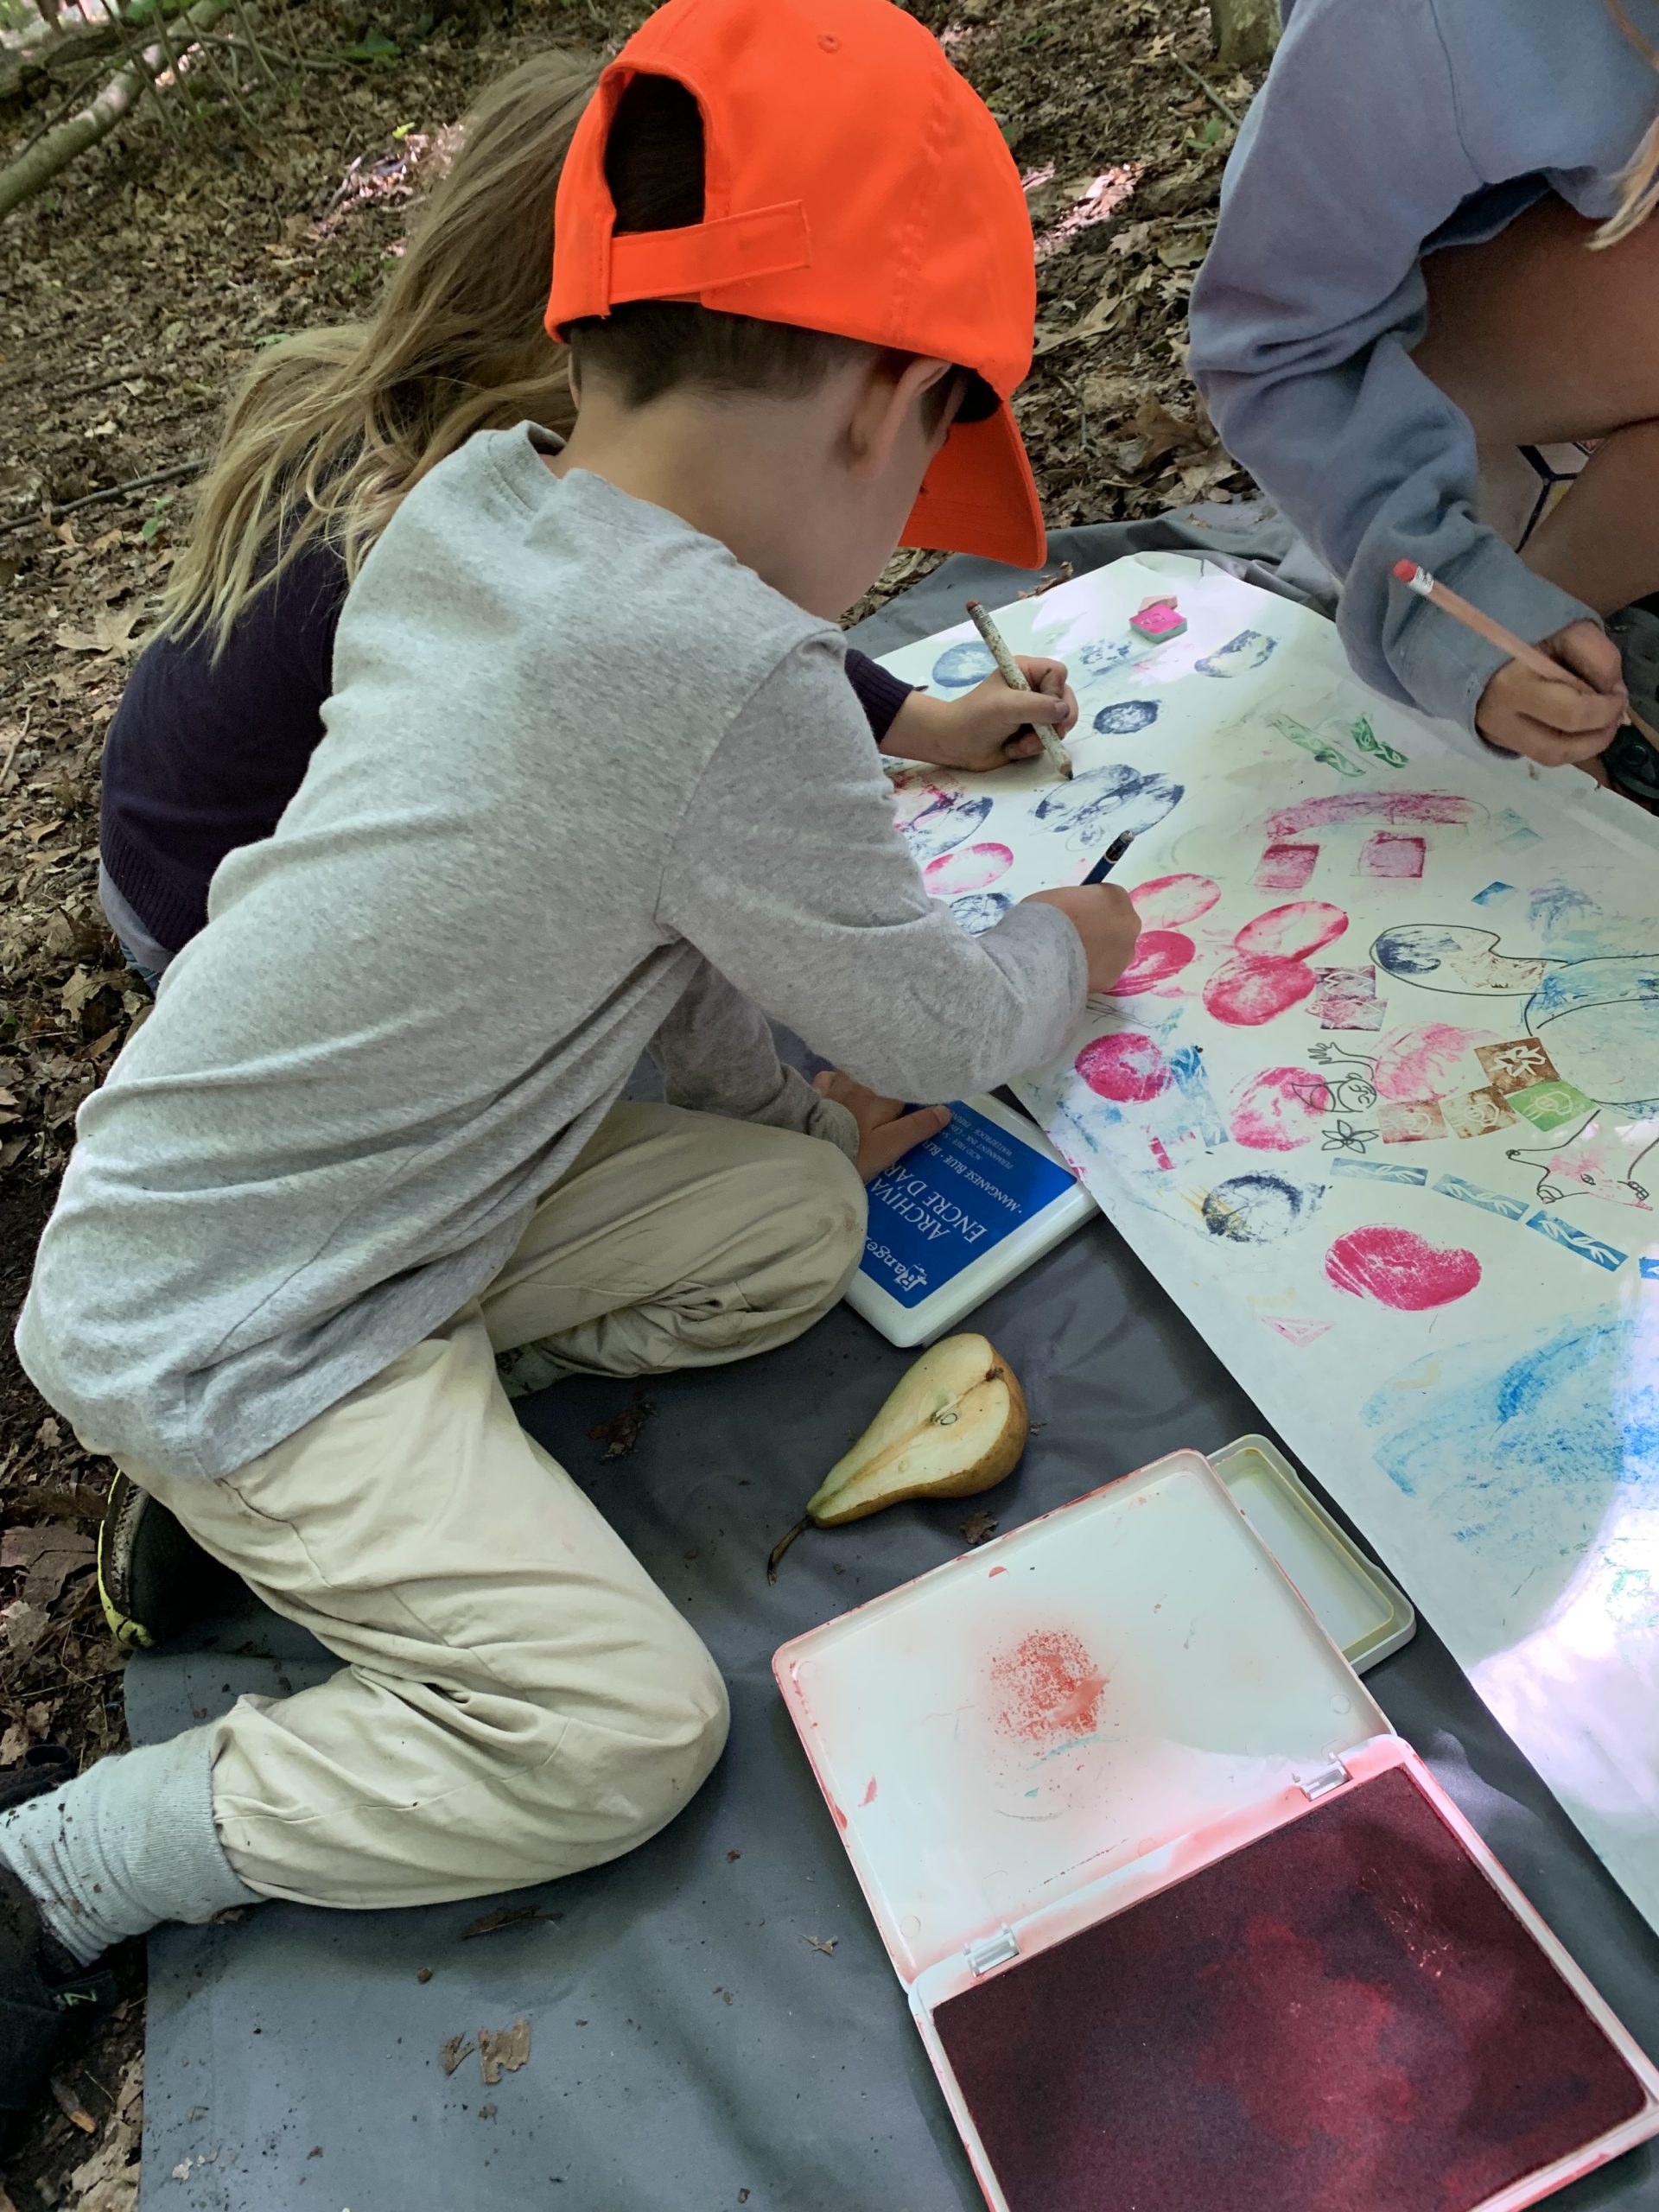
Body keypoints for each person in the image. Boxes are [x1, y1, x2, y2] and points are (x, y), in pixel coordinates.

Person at [1, 0, 1140, 2142]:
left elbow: (667, 922)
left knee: (798, 1209)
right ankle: (62, 1866)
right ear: (890, 402)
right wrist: (1064, 948)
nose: (907, 538)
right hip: (249, 1319)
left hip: (324, 1212)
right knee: (620, 1734)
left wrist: (817, 1048)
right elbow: (922, 1019)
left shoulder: (484, 503)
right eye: (923, 479)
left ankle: (322, 1517)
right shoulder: (718, 671)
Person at [100, 51, 1078, 987]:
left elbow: (694, 613)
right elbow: (678, 661)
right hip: (213, 927)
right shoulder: (444, 535)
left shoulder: (439, 432)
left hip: (164, 859)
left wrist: (919, 719)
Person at [1188, 0, 1659, 785]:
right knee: (1503, 660)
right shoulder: (1418, 19)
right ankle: (1531, 642)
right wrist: (1454, 606)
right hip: (1405, 331)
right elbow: (1274, 348)